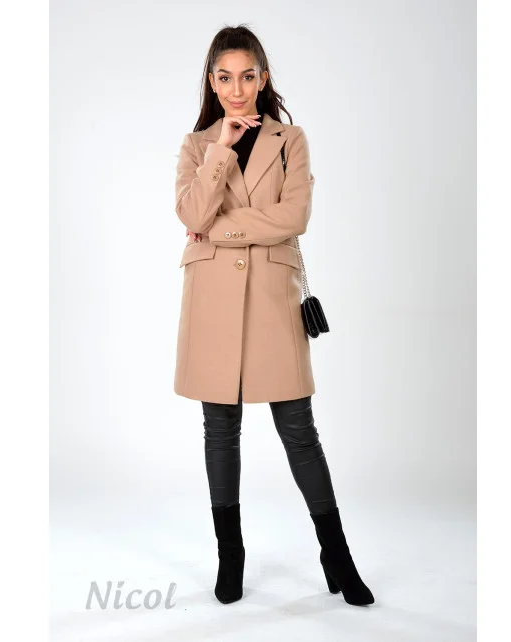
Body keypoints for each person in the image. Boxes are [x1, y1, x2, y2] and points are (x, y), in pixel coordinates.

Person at [173, 25, 374, 607]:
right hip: (211, 300)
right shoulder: (196, 146)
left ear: (263, 78)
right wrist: (220, 148)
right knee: (220, 431)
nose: (237, 89)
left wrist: (220, 229)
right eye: (225, 77)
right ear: (212, 82)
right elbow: (190, 212)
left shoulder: (291, 140)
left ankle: (337, 554)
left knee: (299, 430)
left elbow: (295, 217)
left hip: (271, 297)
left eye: (247, 75)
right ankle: (230, 555)